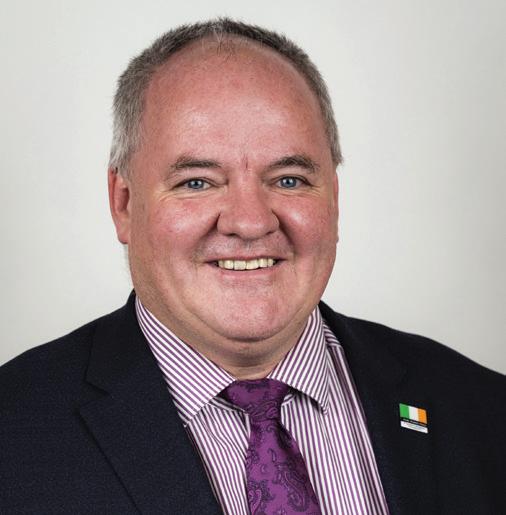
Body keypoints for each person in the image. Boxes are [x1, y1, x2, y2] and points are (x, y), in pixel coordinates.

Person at [0, 18, 504, 515]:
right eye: (197, 182)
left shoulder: (482, 410)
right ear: (124, 203)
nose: (250, 222)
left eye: (289, 179)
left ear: (333, 196)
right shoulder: (15, 433)